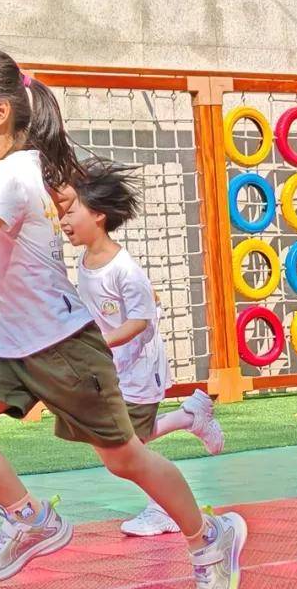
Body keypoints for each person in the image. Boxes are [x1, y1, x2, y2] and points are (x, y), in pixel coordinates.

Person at [0, 43, 246, 589]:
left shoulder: (8, 176)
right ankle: (31, 520)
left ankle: (209, 537)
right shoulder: (9, 172)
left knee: (125, 458)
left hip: (62, 347)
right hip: (12, 345)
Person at [61, 160, 225, 538]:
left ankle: (162, 508)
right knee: (126, 443)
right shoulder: (84, 260)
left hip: (138, 365)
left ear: (98, 215)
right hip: (113, 366)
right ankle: (190, 417)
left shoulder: (124, 269)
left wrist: (99, 343)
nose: (64, 220)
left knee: (126, 447)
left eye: (71, 211)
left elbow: (142, 322)